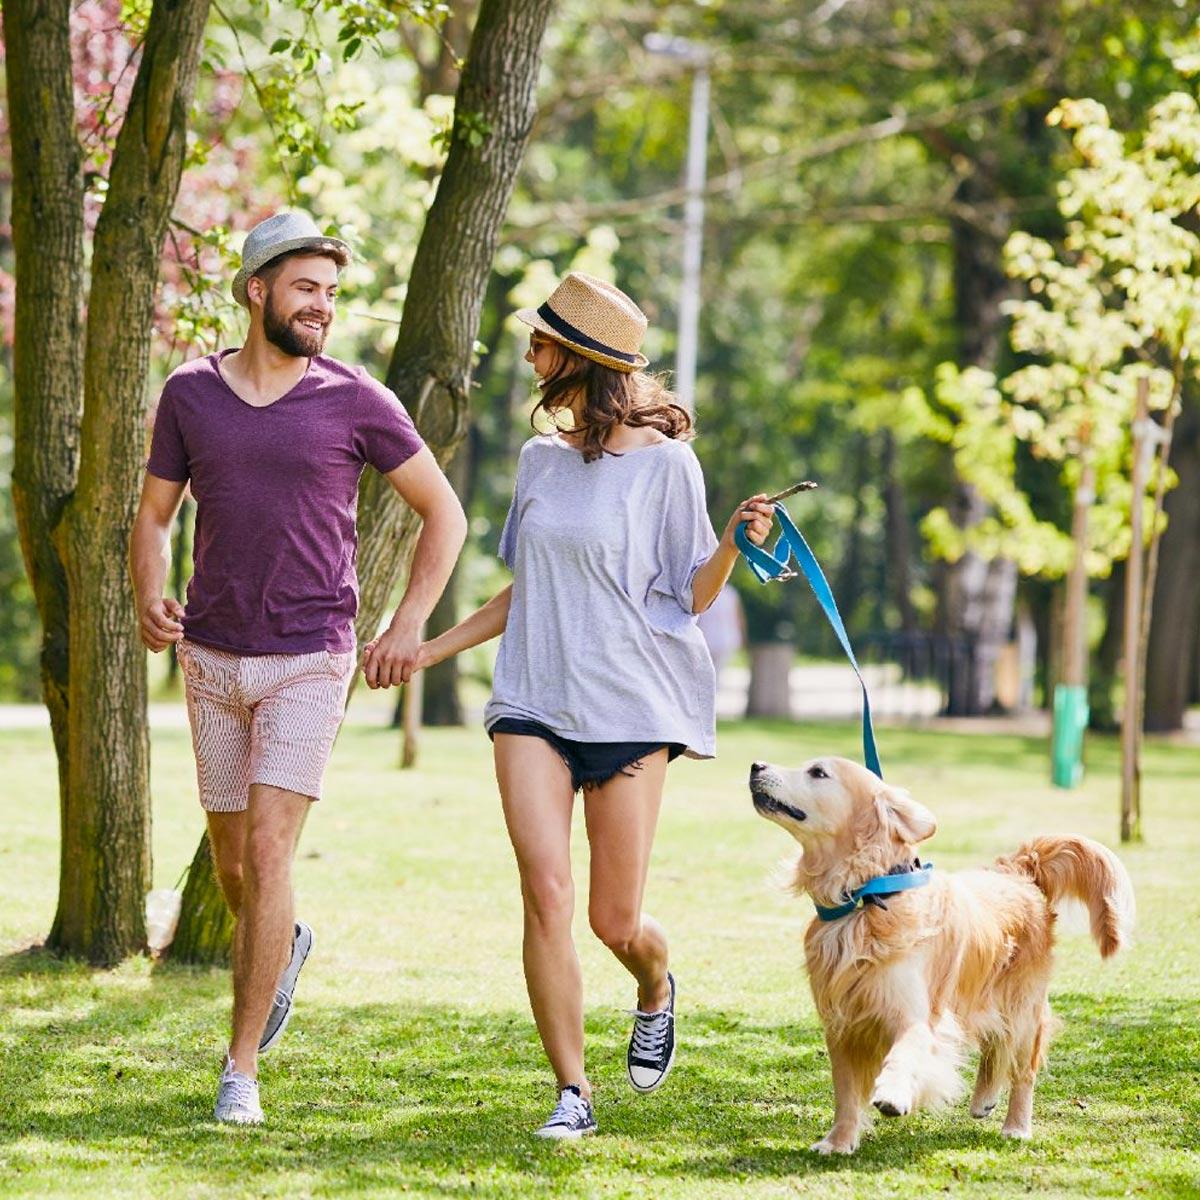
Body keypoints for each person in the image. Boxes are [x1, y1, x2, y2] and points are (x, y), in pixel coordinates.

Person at [367, 272, 773, 1138]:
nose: (530, 353)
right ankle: (572, 1093)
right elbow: (528, 589)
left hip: (631, 706)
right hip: (534, 699)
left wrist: (734, 544)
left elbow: (689, 596)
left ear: (583, 361)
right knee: (545, 893)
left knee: (613, 918)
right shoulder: (538, 460)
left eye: (544, 341)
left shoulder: (669, 467)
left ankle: (655, 985)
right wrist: (428, 647)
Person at [130, 211, 467, 1125]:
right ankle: (287, 941)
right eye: (306, 288)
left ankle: (239, 1069)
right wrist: (148, 591)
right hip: (210, 653)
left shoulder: (357, 399)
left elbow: (445, 515)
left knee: (273, 851)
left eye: (330, 291)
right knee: (238, 869)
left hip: (310, 659)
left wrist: (406, 623)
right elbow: (155, 514)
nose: (323, 306)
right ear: (256, 291)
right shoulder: (190, 394)